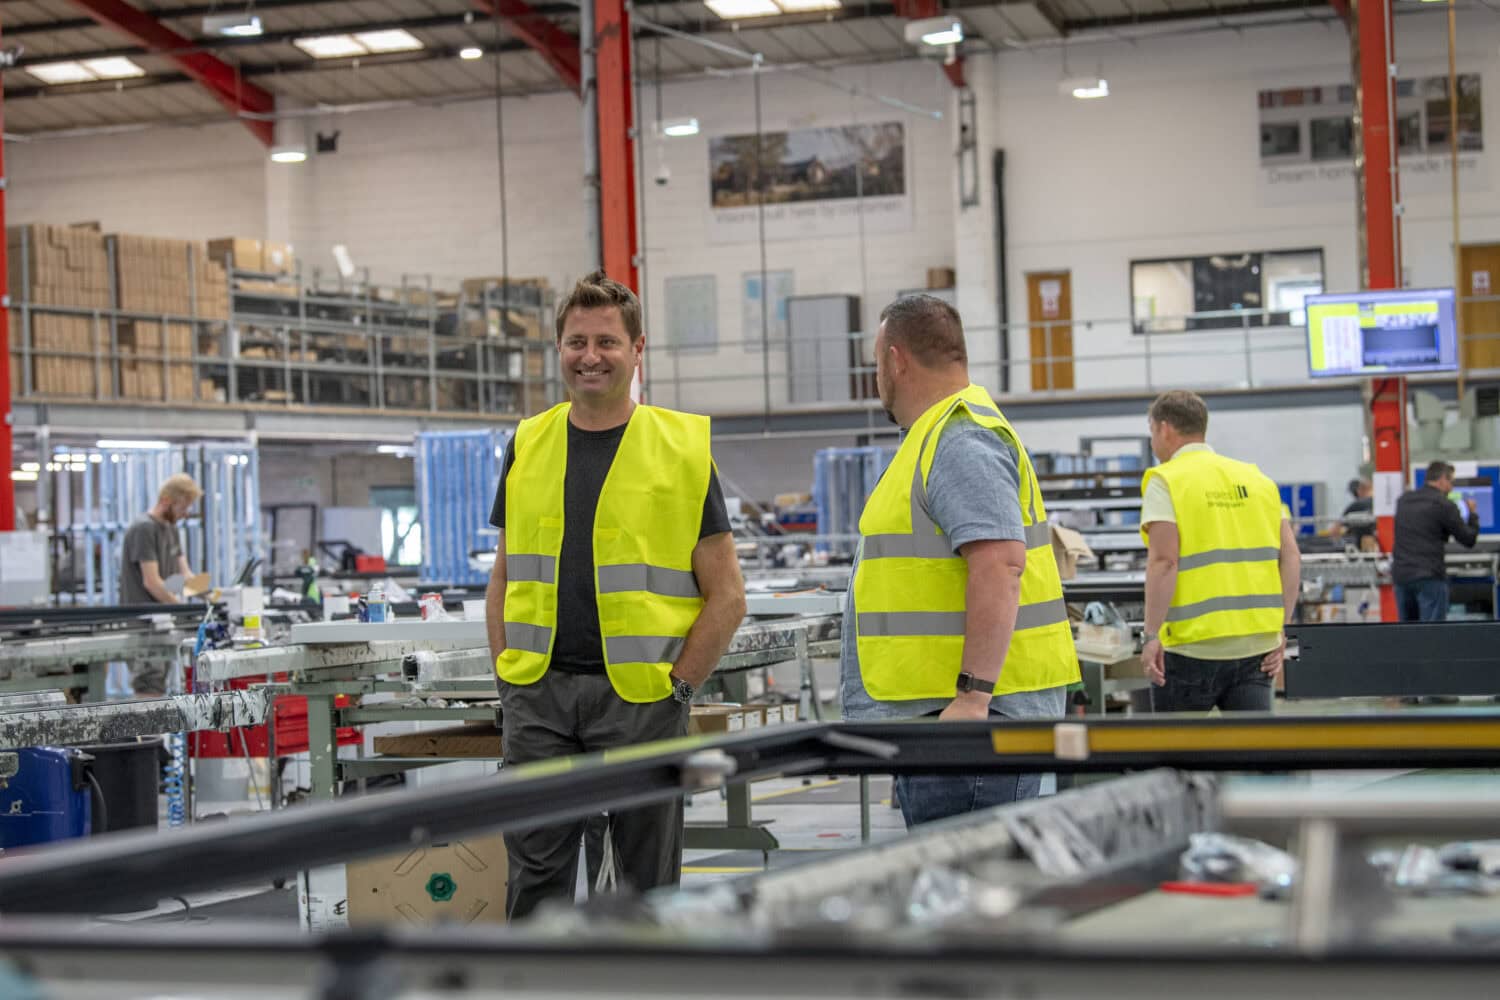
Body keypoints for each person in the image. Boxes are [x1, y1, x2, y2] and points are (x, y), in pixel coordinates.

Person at [485, 270, 746, 920]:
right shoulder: (528, 443)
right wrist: (509, 680)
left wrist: (679, 688)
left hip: (641, 702)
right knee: (535, 881)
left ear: (637, 349)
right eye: (577, 341)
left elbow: (728, 595)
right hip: (540, 699)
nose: (590, 355)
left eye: (606, 341)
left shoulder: (682, 450)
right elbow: (504, 576)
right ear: (559, 349)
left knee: (645, 886)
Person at [839, 294, 1079, 829]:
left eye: (877, 363)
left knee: (968, 895)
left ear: (896, 360)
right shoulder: (934, 437)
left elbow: (999, 564)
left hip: (970, 727)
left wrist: (972, 697)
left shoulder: (958, 438)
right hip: (949, 719)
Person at [1140, 391, 1300, 713]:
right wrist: (1280, 626)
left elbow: (1164, 562)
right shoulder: (1258, 479)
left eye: (1152, 431)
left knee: (1181, 757)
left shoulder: (1166, 480)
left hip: (1190, 649)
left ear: (1165, 428)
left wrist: (1150, 635)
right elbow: (1291, 556)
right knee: (1252, 755)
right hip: (1257, 648)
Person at [1392, 460, 1480, 622]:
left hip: (1402, 576)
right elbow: (1468, 539)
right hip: (1429, 577)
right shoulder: (1444, 504)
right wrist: (1473, 514)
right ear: (1442, 480)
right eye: (1451, 482)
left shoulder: (1403, 501)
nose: (1451, 487)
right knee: (1432, 634)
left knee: (1406, 634)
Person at [120, 473, 202, 606]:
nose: (185, 514)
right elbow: (152, 582)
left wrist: (215, 597)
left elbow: (185, 575)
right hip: (142, 617)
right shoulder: (144, 528)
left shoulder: (171, 528)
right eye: (182, 508)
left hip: (163, 613)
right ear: (165, 501)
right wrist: (182, 610)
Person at [1332, 477, 1376, 550]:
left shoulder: (1356, 505)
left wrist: (1341, 545)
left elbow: (1334, 530)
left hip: (1362, 552)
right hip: (1385, 549)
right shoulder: (1383, 505)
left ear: (1359, 490)